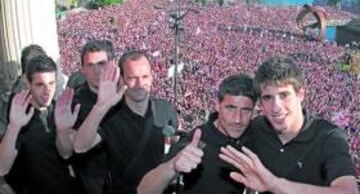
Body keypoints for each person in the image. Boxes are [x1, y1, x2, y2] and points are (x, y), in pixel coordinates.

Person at [220, 57, 359, 194]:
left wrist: (274, 184)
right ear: (260, 103)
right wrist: (198, 150)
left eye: (284, 95)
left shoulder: (328, 136)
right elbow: (219, 139)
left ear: (301, 94)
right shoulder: (256, 128)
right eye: (268, 97)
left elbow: (349, 191)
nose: (276, 107)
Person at [72, 50, 178, 193]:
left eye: (145, 76)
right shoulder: (110, 116)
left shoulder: (165, 109)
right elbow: (80, 146)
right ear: (122, 79)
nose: (140, 84)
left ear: (152, 77)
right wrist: (100, 107)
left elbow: (171, 145)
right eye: (132, 78)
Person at [138, 74, 257, 194]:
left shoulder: (256, 136)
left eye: (246, 110)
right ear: (217, 105)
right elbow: (143, 190)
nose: (237, 119)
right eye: (230, 108)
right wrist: (172, 166)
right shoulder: (194, 142)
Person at [0, 55, 80, 194]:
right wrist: (13, 127)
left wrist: (63, 131)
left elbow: (67, 155)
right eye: (39, 84)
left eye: (51, 83)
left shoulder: (62, 111)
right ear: (29, 84)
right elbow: (2, 167)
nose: (47, 91)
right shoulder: (19, 116)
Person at [56, 39, 116, 194]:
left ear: (111, 64)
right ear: (82, 68)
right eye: (90, 65)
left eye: (101, 64)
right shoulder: (73, 102)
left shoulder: (126, 96)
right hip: (90, 186)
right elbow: (66, 152)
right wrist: (63, 131)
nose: (96, 71)